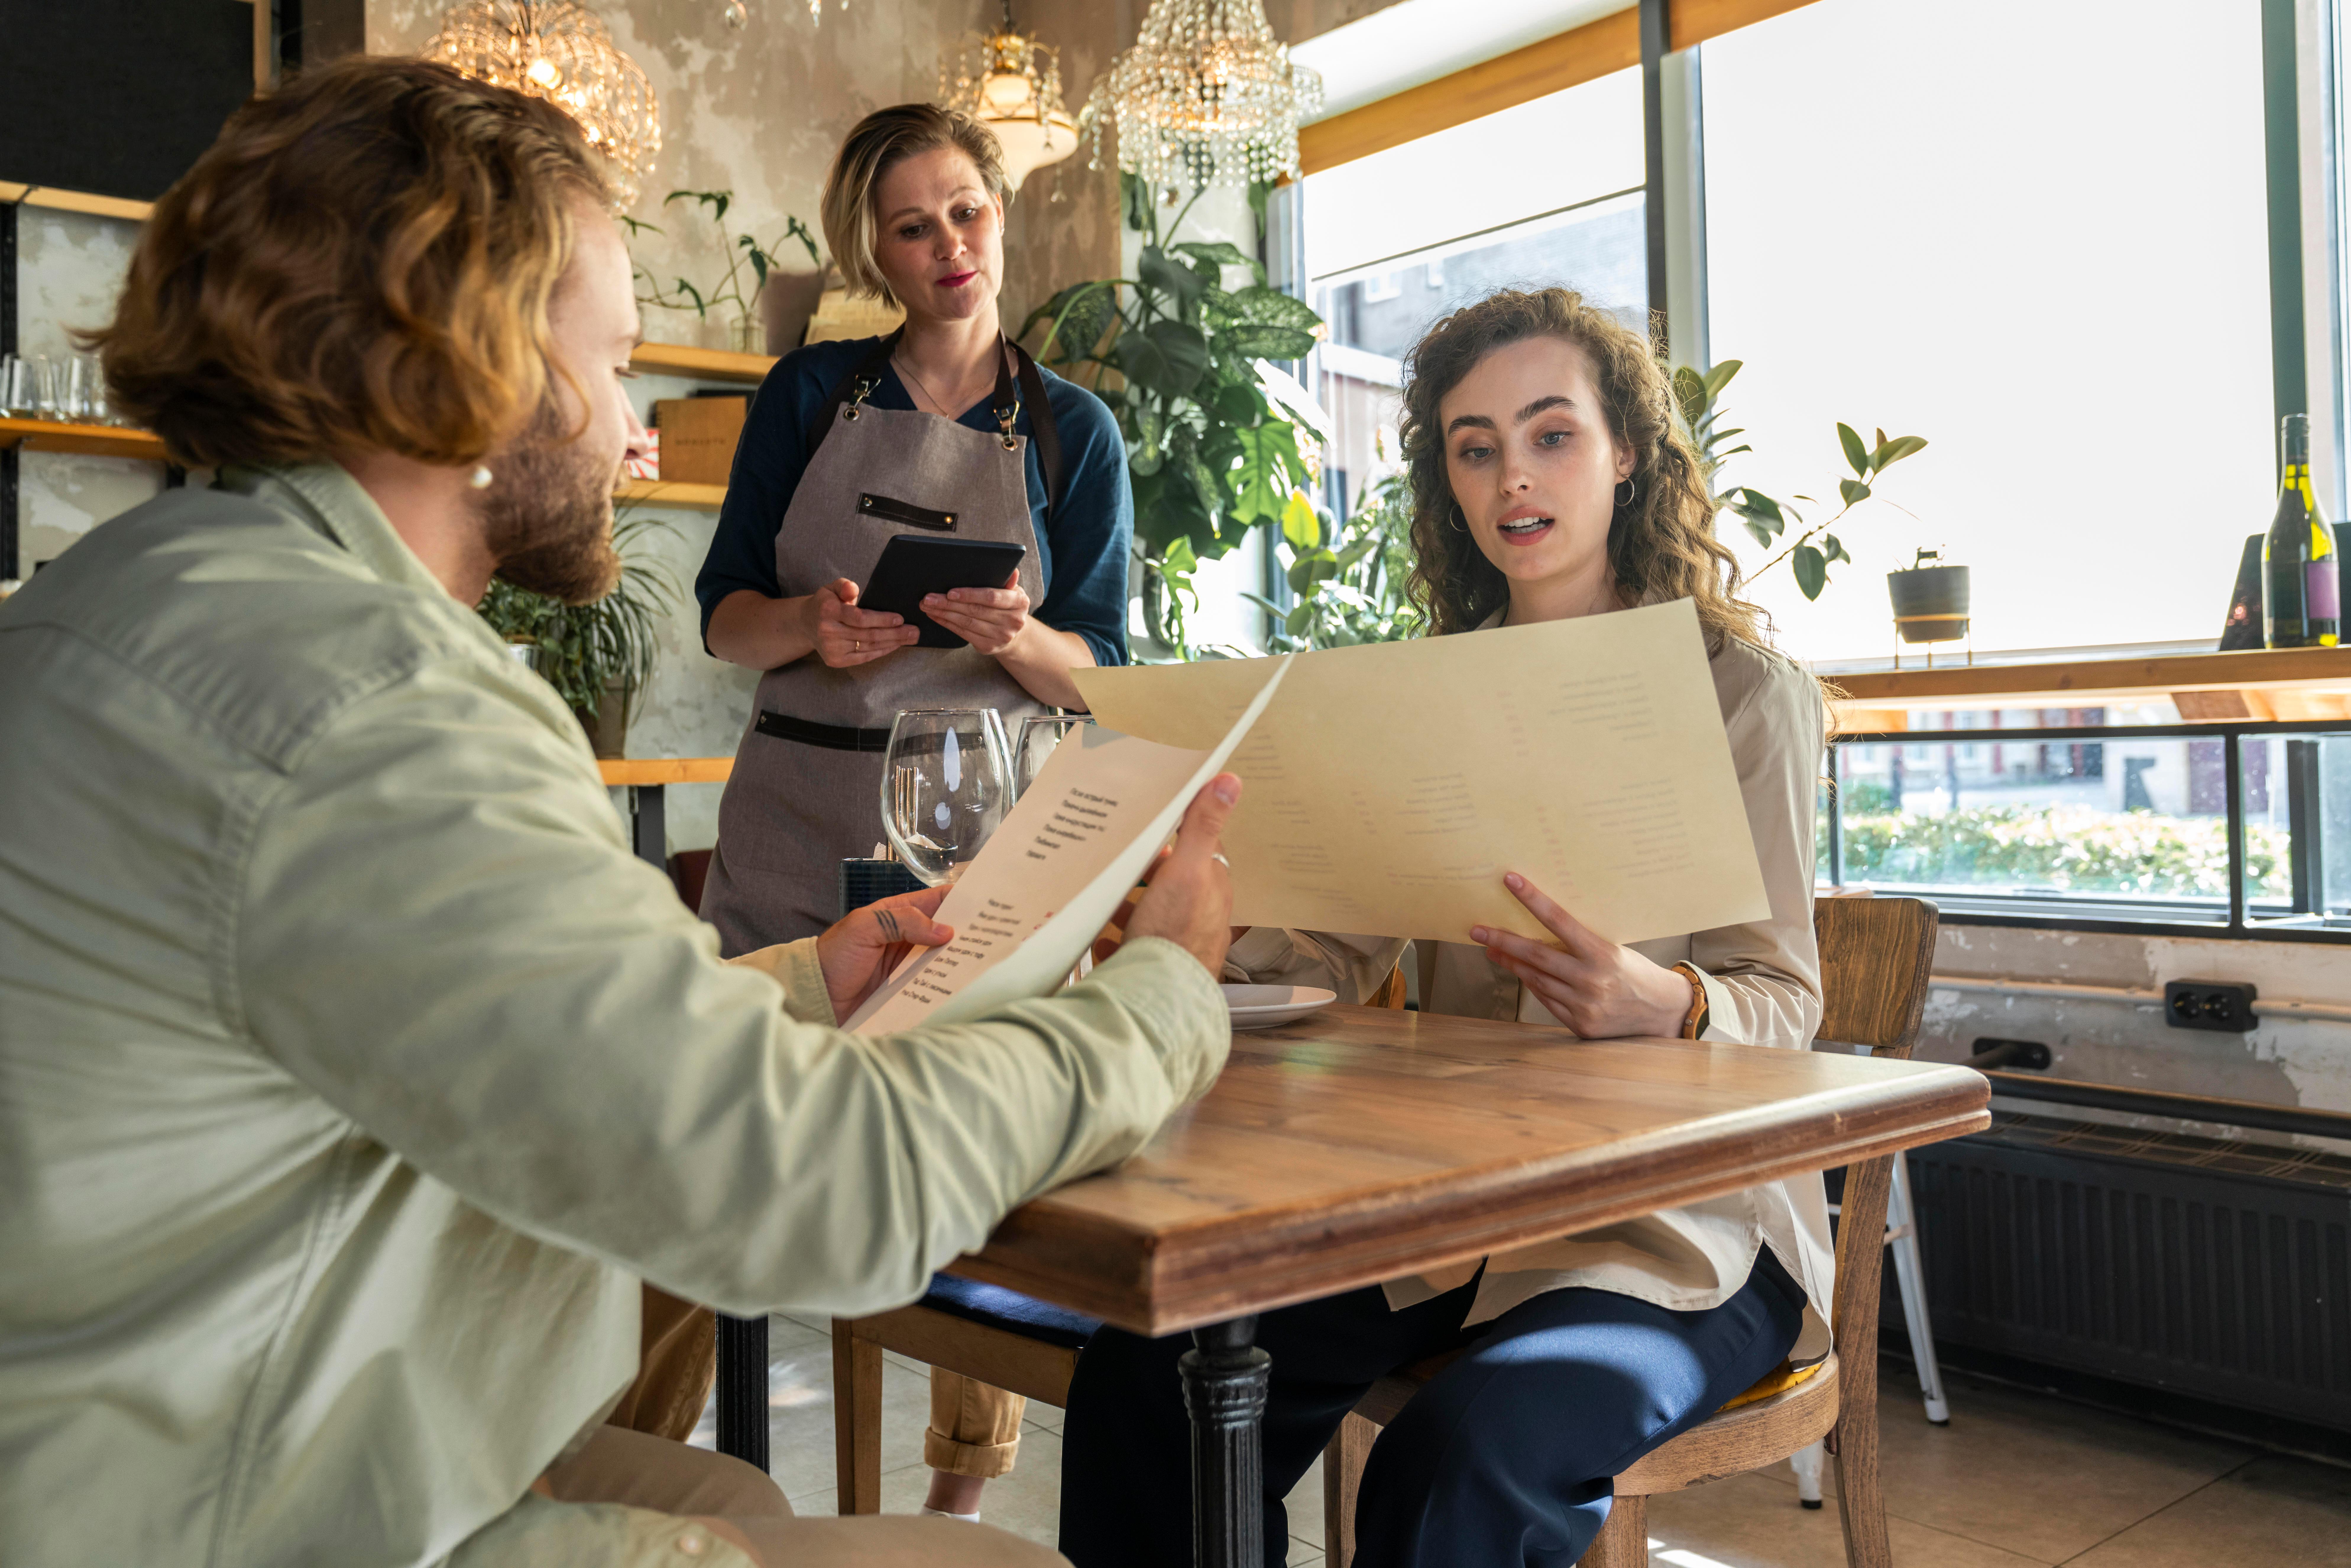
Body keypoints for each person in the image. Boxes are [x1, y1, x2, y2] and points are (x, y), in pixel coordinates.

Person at [0, 56, 1243, 1568]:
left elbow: (459, 1018)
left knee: (732, 1499)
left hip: (128, 1412)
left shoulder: (122, 600)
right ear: (466, 364)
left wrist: (792, 984)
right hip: (217, 1514)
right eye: (612, 361)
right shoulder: (382, 704)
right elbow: (815, 1194)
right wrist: (1167, 989)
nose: (630, 428)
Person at [1057, 287, 1832, 1568]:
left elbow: (1783, 1002)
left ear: (1626, 452)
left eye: (1549, 435)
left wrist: (1667, 1002)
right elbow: (1336, 946)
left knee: (1456, 1457)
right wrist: (1187, 924)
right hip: (1449, 1211)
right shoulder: (1428, 685)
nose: (1511, 478)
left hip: (1683, 1222)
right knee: (1143, 1387)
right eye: (1474, 447)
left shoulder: (1743, 694)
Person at [695, 103, 1131, 1520]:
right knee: (727, 1130)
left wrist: (1016, 635)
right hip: (794, 814)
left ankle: (953, 1500)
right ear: (872, 251)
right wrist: (810, 631)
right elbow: (722, 625)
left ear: (1002, 214)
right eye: (910, 224)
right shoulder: (807, 396)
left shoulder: (1072, 433)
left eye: (965, 211)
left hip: (970, 817)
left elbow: (1105, 675)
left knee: (969, 1150)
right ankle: (677, 1444)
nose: (948, 246)